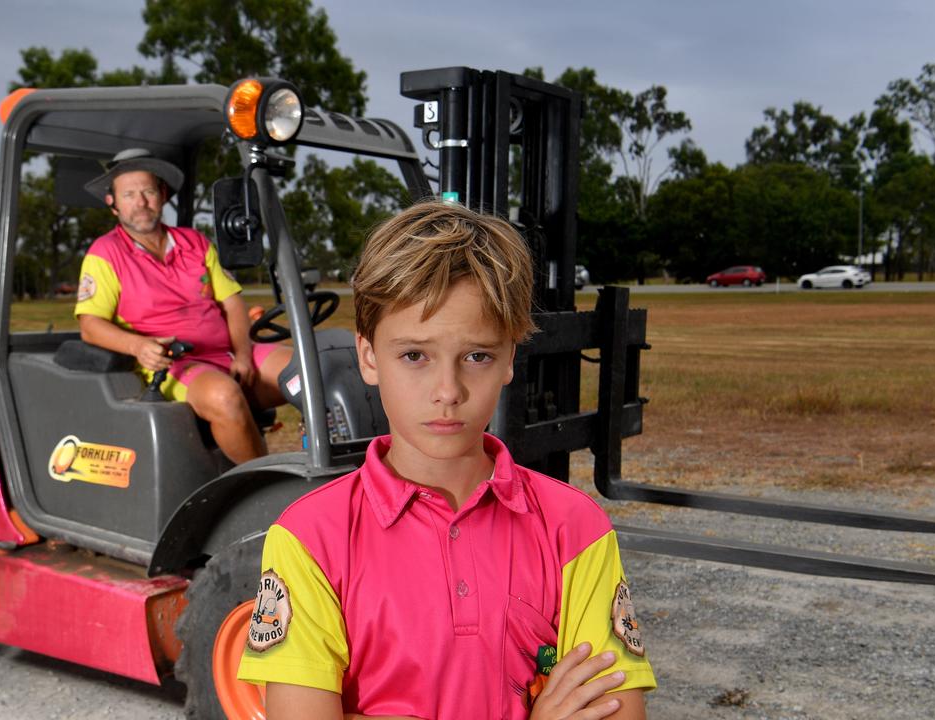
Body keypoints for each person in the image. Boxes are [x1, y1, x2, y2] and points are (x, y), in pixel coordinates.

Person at [237, 201, 655, 719]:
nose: (447, 391)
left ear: (509, 358)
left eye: (476, 356)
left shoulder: (575, 528)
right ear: (368, 356)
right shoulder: (311, 536)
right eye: (414, 355)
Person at [73, 148, 292, 464]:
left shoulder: (195, 242)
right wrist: (138, 347)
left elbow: (232, 303)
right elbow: (90, 325)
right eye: (129, 195)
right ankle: (264, 489)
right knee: (225, 397)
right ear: (113, 204)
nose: (141, 202)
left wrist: (243, 354)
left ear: (162, 195)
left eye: (148, 191)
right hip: (177, 363)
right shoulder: (104, 254)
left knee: (308, 369)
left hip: (232, 354)